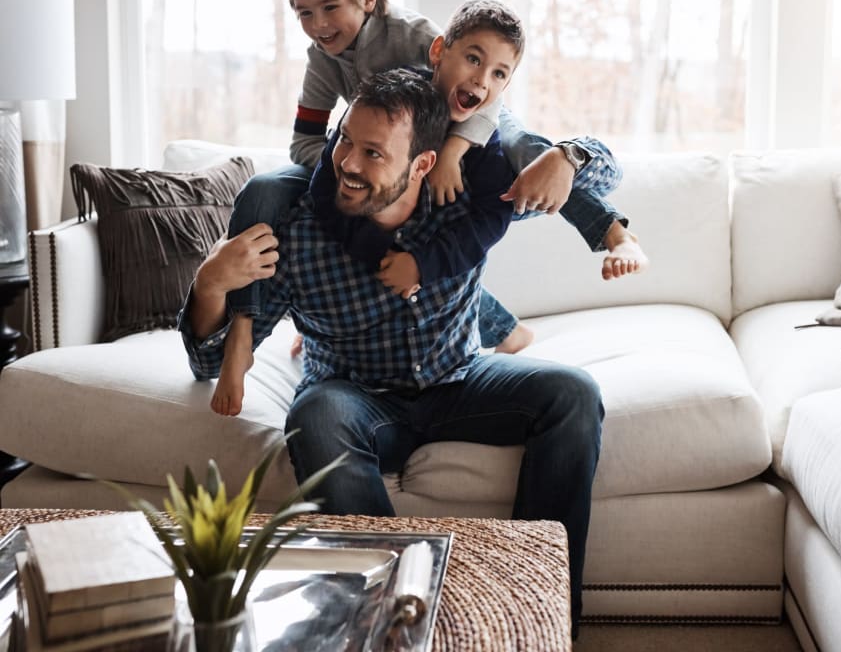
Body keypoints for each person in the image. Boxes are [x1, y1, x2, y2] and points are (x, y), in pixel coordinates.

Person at [179, 69, 604, 636]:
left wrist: (569, 156)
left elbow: (603, 177)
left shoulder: (464, 200)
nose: (349, 164)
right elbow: (210, 364)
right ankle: (394, 625)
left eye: (374, 153)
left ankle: (538, 607)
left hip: (461, 378)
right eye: (345, 142)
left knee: (573, 393)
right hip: (356, 398)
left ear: (422, 164)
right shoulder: (299, 231)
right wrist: (209, 283)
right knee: (316, 414)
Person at [213, 0, 643, 415]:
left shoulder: (415, 38)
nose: (318, 24)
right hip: (382, 165)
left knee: (528, 158)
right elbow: (304, 141)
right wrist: (352, 165)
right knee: (265, 189)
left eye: (330, 7)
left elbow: (473, 92)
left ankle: (613, 233)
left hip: (465, 136)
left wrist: (455, 153)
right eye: (304, 12)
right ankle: (245, 328)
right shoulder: (322, 60)